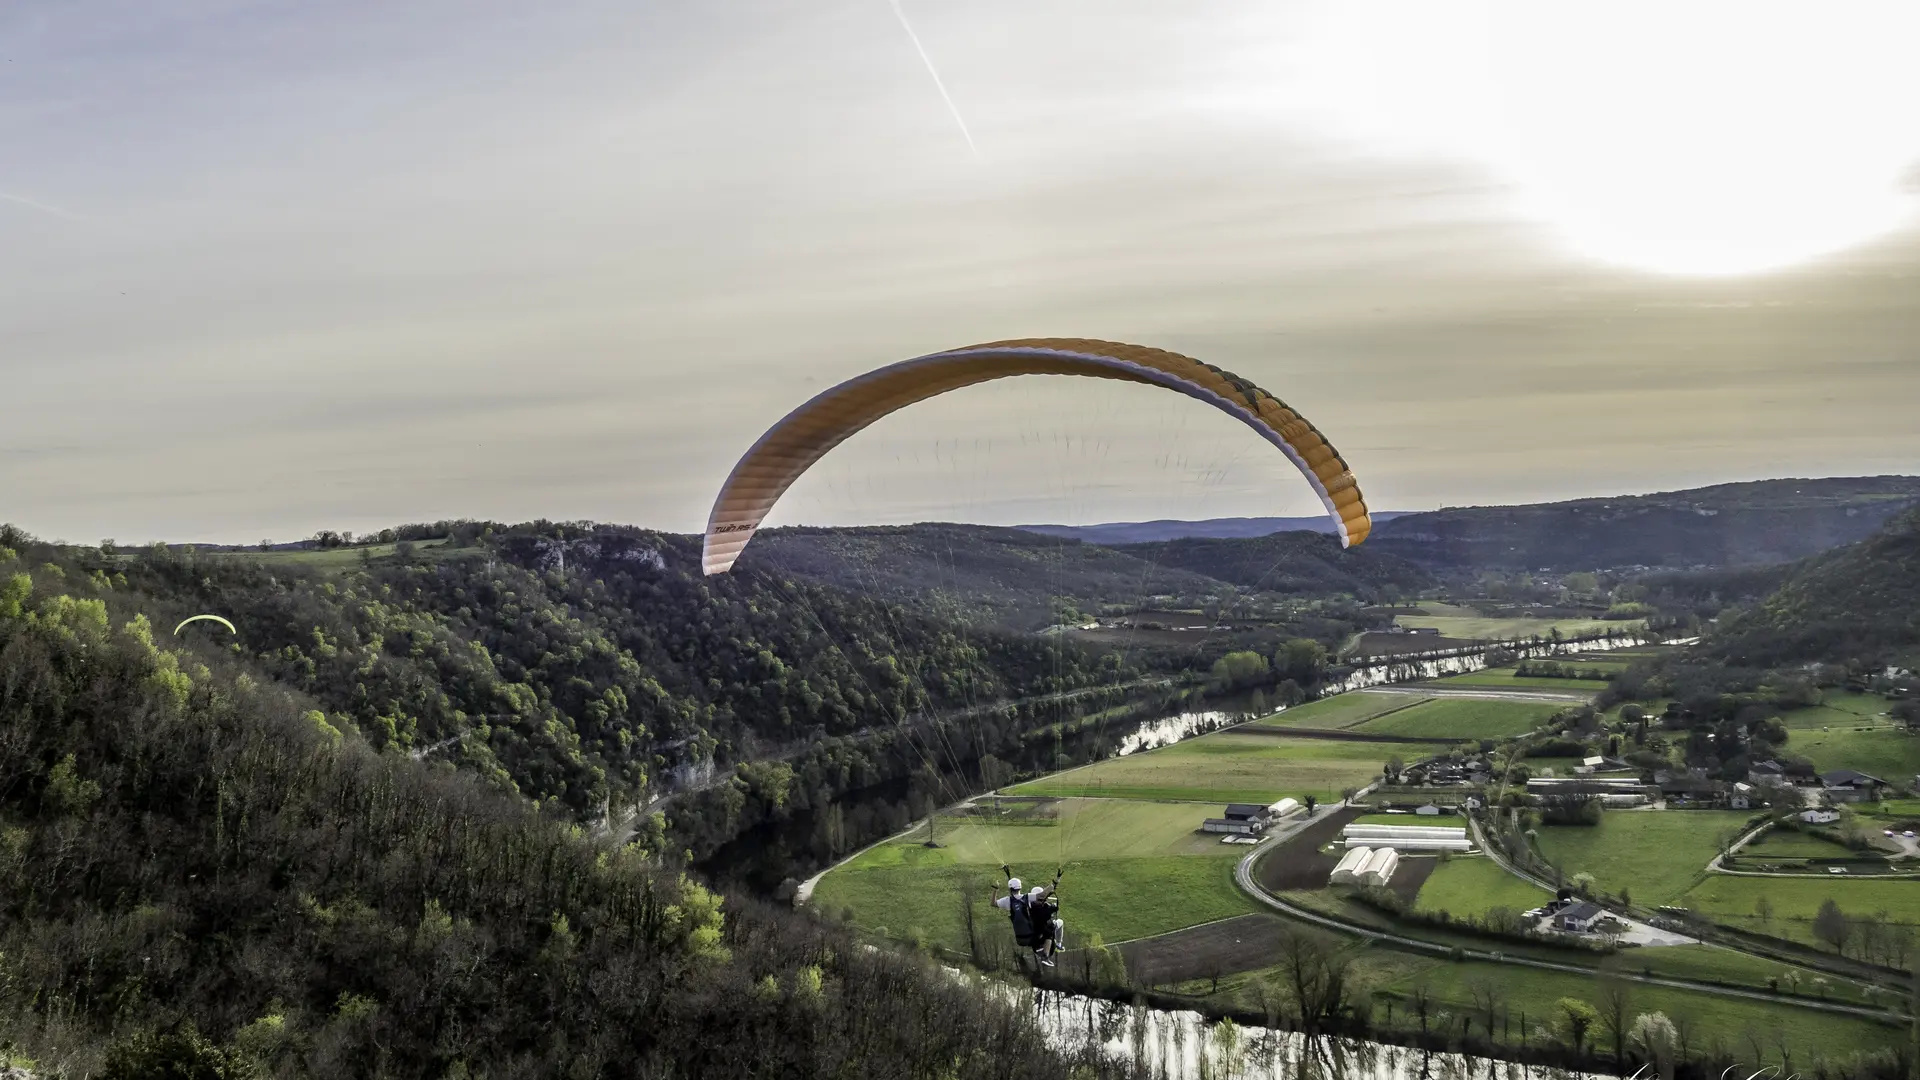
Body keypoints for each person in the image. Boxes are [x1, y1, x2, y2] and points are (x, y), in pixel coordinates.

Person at [994, 865, 1064, 966]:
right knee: (1052, 928)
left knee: (1048, 929)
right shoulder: (1044, 908)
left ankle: (1054, 948)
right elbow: (1046, 895)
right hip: (1039, 939)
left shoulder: (1028, 906)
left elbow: (1016, 898)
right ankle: (1053, 950)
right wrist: (1056, 881)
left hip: (1033, 938)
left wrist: (1009, 878)